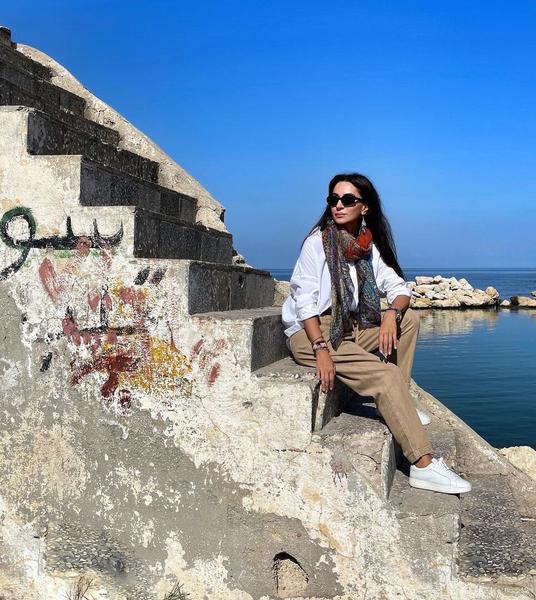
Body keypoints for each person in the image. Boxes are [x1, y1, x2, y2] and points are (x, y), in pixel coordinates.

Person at [282, 173, 471, 495]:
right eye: (333, 199)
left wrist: (390, 315)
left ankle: (401, 401)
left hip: (349, 327)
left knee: (408, 320)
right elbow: (304, 301)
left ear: (365, 207)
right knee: (386, 376)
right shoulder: (318, 242)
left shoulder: (366, 247)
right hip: (312, 331)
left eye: (347, 200)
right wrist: (320, 348)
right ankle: (423, 464)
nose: (338, 205)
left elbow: (399, 289)